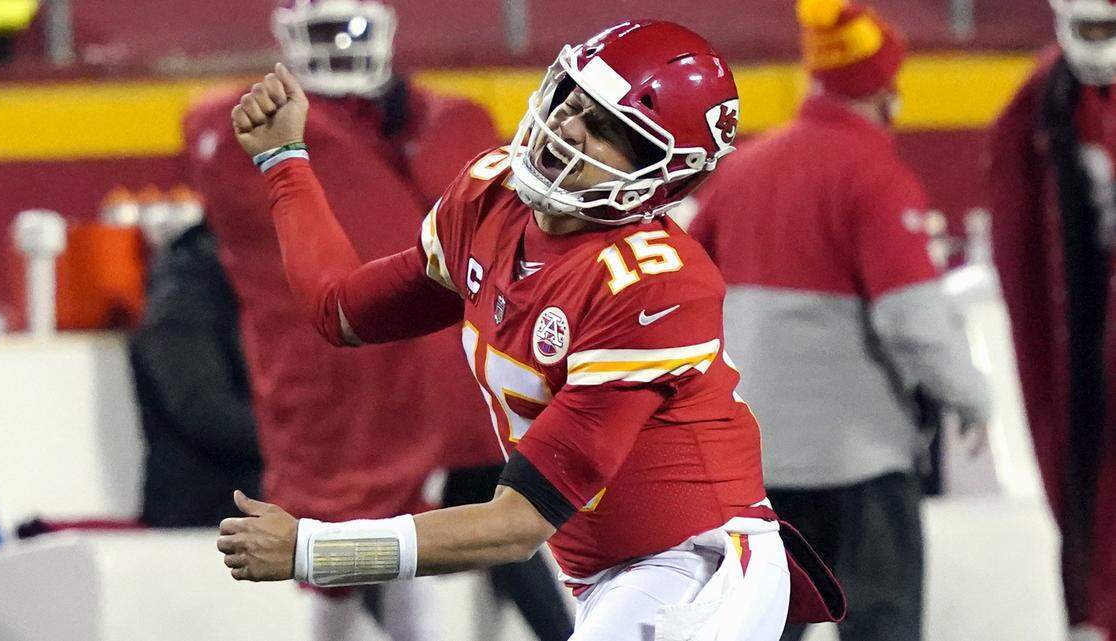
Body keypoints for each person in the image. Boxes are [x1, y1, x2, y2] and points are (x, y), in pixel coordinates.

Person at [217, 20, 847, 641]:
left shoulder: (653, 284)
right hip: (607, 571)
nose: (568, 128)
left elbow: (517, 525)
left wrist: (312, 550)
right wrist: (284, 161)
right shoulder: (492, 199)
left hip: (697, 564)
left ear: (664, 173)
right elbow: (341, 310)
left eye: (608, 129)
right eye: (573, 100)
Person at [187, 1, 572, 639]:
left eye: (352, 28)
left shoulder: (444, 122)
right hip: (351, 375)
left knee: (446, 531)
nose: (342, 45)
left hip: (450, 369)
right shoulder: (250, 128)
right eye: (327, 31)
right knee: (355, 545)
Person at [686, 2, 992, 640]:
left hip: (757, 468)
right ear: (885, 88)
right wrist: (971, 397)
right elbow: (912, 321)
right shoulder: (875, 175)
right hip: (862, 467)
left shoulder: (739, 170)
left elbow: (685, 293)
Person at [987, 2, 1116, 639]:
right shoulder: (1043, 99)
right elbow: (1018, 235)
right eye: (1088, 30)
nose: (1097, 45)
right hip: (1085, 328)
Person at [130, 209, 264, 528]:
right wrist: (317, 442)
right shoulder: (186, 287)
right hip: (207, 520)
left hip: (271, 508)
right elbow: (206, 412)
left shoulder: (269, 277)